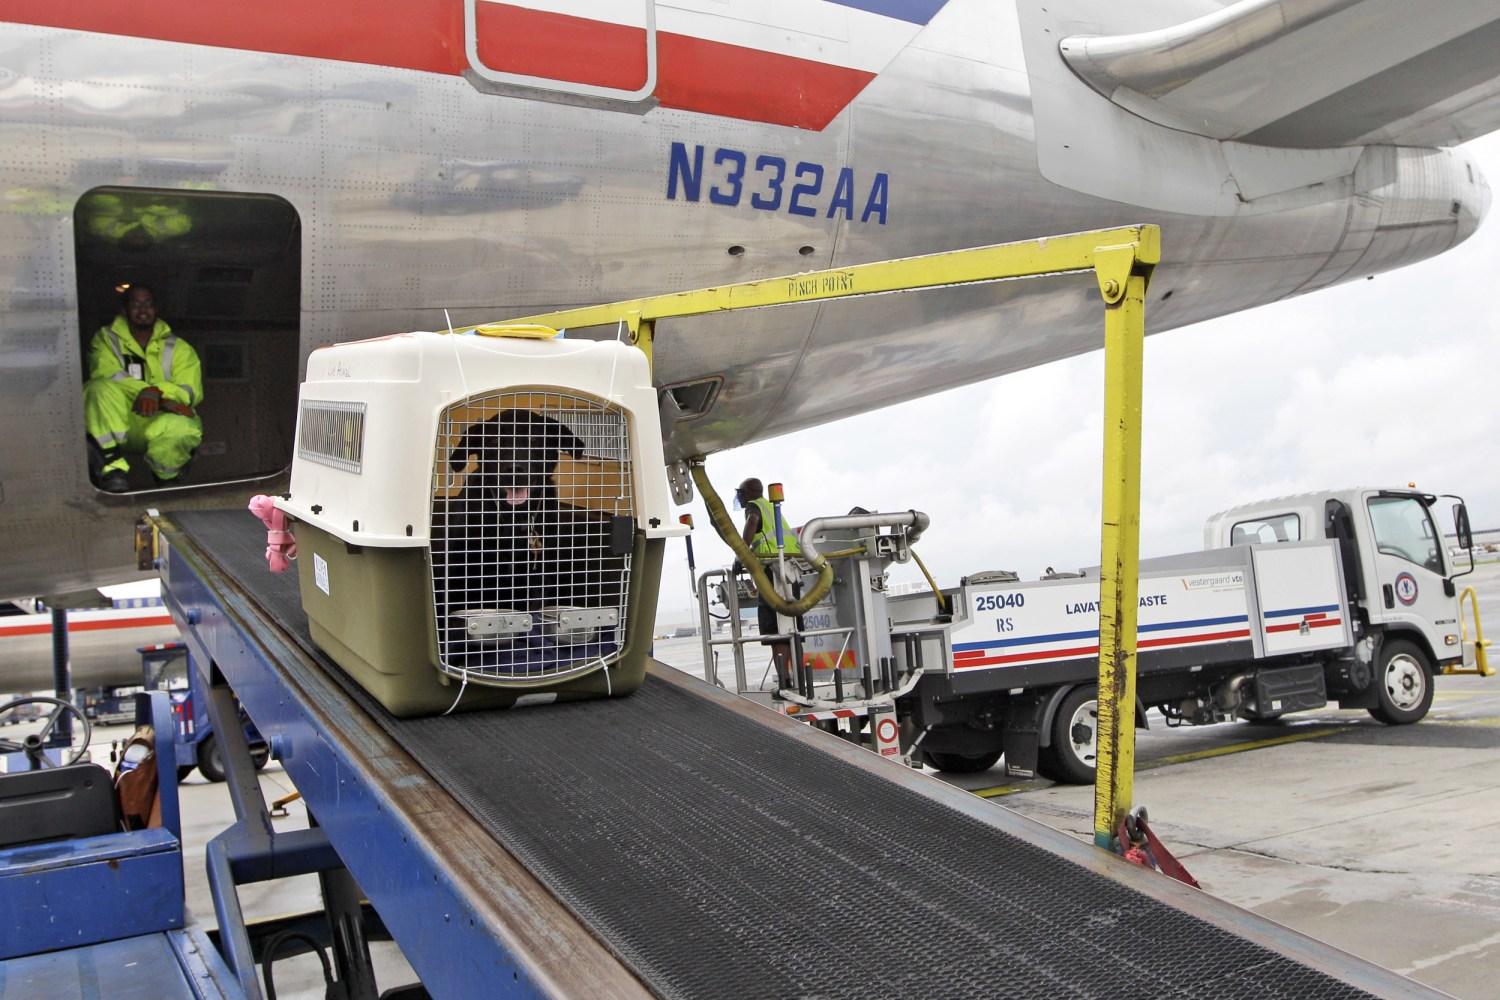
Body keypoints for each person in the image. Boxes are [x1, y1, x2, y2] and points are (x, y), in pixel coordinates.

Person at [83, 284, 203, 492]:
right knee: (97, 389)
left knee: (184, 425)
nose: (143, 310)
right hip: (120, 419)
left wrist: (157, 394)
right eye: (136, 304)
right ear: (125, 310)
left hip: (158, 419)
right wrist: (147, 392)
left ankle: (168, 478)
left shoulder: (179, 348)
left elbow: (190, 389)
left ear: (156, 309)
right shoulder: (106, 339)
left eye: (148, 304)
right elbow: (105, 372)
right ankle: (113, 471)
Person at [735, 478, 803, 691]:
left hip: (772, 572)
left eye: (741, 493)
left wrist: (741, 556)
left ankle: (784, 681)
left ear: (749, 492)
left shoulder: (754, 506)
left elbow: (752, 522)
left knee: (776, 632)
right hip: (789, 571)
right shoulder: (772, 509)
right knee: (792, 629)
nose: (739, 497)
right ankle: (799, 680)